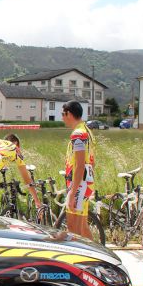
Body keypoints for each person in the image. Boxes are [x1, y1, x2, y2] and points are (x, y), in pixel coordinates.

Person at [61, 101, 95, 239]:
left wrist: (72, 192)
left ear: (69, 113)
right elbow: (92, 162)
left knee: (73, 230)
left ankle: (80, 259)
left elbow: (80, 165)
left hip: (79, 183)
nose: (62, 117)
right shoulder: (87, 131)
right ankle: (96, 256)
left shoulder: (78, 134)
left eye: (63, 114)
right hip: (86, 182)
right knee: (82, 228)